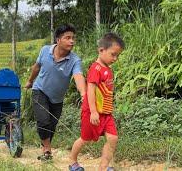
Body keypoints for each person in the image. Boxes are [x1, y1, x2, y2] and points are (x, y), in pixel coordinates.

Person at [25, 24, 86, 161]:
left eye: (73, 38)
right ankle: (47, 150)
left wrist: (83, 94)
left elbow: (78, 77)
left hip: (57, 98)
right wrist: (30, 81)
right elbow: (37, 67)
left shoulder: (74, 60)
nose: (72, 41)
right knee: (43, 120)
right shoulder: (45, 51)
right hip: (39, 90)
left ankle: (45, 146)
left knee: (51, 125)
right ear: (58, 40)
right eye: (67, 38)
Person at [69, 33, 125, 171]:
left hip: (106, 113)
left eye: (117, 55)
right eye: (113, 54)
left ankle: (103, 167)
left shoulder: (108, 70)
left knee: (112, 138)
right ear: (101, 50)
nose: (115, 58)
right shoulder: (96, 69)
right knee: (84, 139)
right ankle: (72, 161)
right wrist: (93, 111)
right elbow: (90, 91)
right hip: (92, 112)